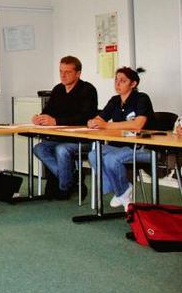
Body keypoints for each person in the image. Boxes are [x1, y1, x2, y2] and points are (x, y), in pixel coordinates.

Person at [88, 67, 155, 211]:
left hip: (142, 147)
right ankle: (122, 191)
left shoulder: (142, 98)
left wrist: (106, 125)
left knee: (111, 159)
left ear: (133, 84)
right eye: (116, 80)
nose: (117, 84)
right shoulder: (114, 100)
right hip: (119, 145)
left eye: (123, 81)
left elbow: (138, 124)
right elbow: (100, 118)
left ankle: (122, 192)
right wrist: (93, 122)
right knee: (93, 154)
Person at [32, 55, 97, 199]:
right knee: (39, 148)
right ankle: (71, 179)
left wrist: (56, 121)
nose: (63, 75)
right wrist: (39, 118)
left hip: (82, 139)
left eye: (67, 72)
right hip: (60, 137)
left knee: (61, 150)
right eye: (61, 71)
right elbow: (48, 112)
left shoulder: (87, 89)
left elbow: (85, 118)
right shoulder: (58, 90)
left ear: (78, 73)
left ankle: (64, 187)